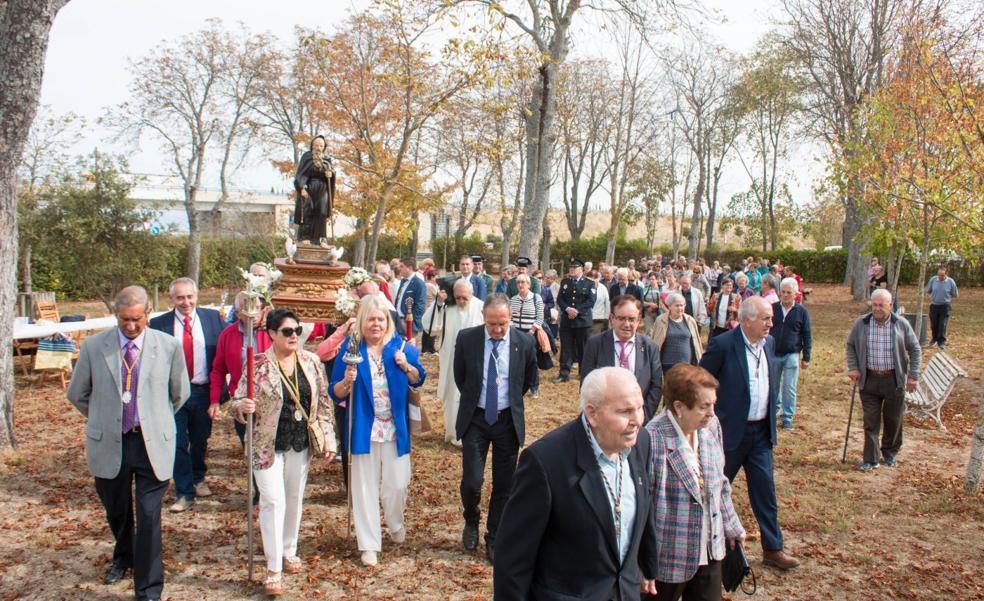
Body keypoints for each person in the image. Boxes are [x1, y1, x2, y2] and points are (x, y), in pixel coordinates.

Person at [66, 286, 189, 601]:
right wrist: (104, 418)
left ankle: (148, 588)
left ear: (148, 313)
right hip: (110, 443)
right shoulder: (95, 347)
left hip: (151, 446)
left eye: (137, 319)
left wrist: (152, 419)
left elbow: (179, 393)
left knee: (149, 515)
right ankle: (123, 556)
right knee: (118, 511)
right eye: (124, 320)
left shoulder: (169, 346)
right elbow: (77, 394)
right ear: (115, 315)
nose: (131, 326)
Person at [494, 367, 658, 601]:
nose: (637, 420)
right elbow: (513, 558)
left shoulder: (641, 442)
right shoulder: (546, 461)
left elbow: (644, 504)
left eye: (640, 408)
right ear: (592, 414)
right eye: (625, 412)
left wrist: (647, 565)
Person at [228, 309, 337, 595]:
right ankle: (273, 566)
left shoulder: (312, 362)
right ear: (272, 334)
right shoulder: (258, 364)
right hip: (266, 444)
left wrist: (328, 438)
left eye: (297, 331)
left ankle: (289, 548)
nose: (294, 337)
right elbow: (237, 399)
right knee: (272, 501)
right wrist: (242, 407)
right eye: (287, 332)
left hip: (300, 442)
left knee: (293, 498)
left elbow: (323, 403)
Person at [699, 297, 800, 570]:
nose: (771, 323)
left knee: (765, 491)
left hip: (760, 434)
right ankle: (703, 546)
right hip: (729, 433)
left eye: (770, 318)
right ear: (746, 320)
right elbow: (700, 382)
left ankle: (773, 548)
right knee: (714, 490)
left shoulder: (769, 344)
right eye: (765, 318)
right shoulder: (723, 345)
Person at [329, 296, 425, 566]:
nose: (376, 324)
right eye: (370, 319)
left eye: (380, 319)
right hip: (363, 428)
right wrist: (346, 383)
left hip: (395, 427)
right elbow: (333, 391)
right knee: (363, 487)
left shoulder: (400, 346)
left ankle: (395, 522)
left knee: (398, 483)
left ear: (387, 322)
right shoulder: (351, 350)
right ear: (361, 322)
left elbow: (419, 377)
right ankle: (369, 543)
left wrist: (405, 365)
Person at [645, 364, 746, 601]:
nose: (712, 412)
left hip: (709, 551)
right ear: (679, 407)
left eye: (713, 404)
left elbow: (719, 484)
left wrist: (732, 526)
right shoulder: (652, 439)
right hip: (668, 558)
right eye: (704, 406)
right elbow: (644, 509)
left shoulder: (711, 427)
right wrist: (644, 563)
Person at [453, 294, 538, 563]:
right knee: (472, 481)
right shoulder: (467, 339)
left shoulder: (524, 342)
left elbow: (527, 379)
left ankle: (494, 535)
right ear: (484, 319)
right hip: (476, 420)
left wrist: (507, 401)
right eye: (492, 324)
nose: (498, 330)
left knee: (505, 484)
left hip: (506, 421)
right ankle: (471, 519)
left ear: (510, 319)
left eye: (502, 324)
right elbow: (461, 377)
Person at [148, 277, 226, 512]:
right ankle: (184, 491)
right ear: (171, 299)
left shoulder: (213, 319)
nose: (186, 302)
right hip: (173, 394)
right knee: (178, 441)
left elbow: (223, 353)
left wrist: (220, 394)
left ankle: (198, 477)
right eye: (180, 297)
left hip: (203, 390)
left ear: (196, 296)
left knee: (200, 439)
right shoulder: (158, 324)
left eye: (189, 296)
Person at [846, 289, 921, 471]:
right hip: (869, 379)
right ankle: (871, 459)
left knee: (893, 419)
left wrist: (912, 376)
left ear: (890, 305)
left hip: (893, 380)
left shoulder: (901, 324)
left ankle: (889, 453)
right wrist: (854, 367)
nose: (877, 308)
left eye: (881, 305)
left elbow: (915, 349)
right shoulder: (862, 323)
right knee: (870, 421)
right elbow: (850, 345)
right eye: (874, 304)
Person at [422, 278, 485, 446]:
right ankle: (454, 434)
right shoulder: (447, 308)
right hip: (452, 360)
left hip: (475, 361)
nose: (462, 301)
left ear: (472, 294)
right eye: (458, 298)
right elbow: (430, 328)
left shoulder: (481, 307)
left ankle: (473, 435)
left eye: (465, 297)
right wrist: (438, 304)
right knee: (453, 395)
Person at [580, 296, 663, 422]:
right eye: (621, 318)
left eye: (631, 319)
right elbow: (587, 385)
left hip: (638, 420)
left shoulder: (650, 347)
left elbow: (656, 386)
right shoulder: (595, 344)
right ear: (612, 318)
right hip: (604, 421)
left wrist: (642, 417)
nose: (627, 324)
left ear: (639, 320)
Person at [209, 292, 272, 448]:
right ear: (237, 313)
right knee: (251, 451)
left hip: (272, 399)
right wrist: (214, 400)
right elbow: (218, 370)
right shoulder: (227, 335)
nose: (255, 313)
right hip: (243, 401)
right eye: (248, 308)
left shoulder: (273, 331)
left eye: (258, 308)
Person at [771, 278, 812, 431]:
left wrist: (806, 357)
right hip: (773, 353)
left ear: (795, 294)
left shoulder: (801, 312)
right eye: (783, 292)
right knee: (773, 386)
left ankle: (787, 418)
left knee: (789, 388)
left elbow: (807, 334)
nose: (786, 295)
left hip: (792, 354)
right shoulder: (773, 308)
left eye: (789, 292)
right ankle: (774, 411)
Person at [554, 259, 596, 383]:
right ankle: (564, 374)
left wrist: (576, 311)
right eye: (570, 267)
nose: (571, 269)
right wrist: (567, 309)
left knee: (583, 348)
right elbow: (560, 299)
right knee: (566, 348)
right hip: (567, 321)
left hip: (583, 322)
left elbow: (591, 301)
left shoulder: (589, 283)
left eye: (574, 267)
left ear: (582, 269)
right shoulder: (565, 282)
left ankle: (584, 373)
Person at [292, 135, 336, 245]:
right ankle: (305, 236)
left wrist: (330, 174)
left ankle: (321, 238)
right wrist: (301, 188)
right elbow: (300, 174)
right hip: (309, 187)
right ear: (312, 145)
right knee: (308, 211)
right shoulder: (306, 157)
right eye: (316, 145)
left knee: (322, 211)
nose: (318, 147)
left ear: (324, 147)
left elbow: (332, 173)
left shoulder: (327, 159)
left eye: (321, 145)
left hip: (322, 189)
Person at [651, 292, 703, 380]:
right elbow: (655, 342)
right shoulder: (661, 320)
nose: (680, 308)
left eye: (682, 305)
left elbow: (697, 342)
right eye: (677, 305)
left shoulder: (690, 320)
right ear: (669, 306)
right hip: (668, 364)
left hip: (687, 364)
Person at [509, 273, 545, 398]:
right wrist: (513, 326)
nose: (520, 285)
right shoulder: (513, 299)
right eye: (518, 282)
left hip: (530, 335)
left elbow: (540, 316)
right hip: (516, 334)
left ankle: (534, 387)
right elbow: (510, 316)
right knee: (516, 362)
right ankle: (518, 387)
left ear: (529, 284)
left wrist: (532, 330)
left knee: (532, 362)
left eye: (523, 282)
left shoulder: (536, 298)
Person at [394, 257, 426, 340]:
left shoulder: (418, 283)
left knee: (408, 348)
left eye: (402, 266)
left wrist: (409, 321)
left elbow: (420, 306)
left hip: (407, 322)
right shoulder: (403, 281)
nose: (399, 269)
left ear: (410, 268)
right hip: (397, 320)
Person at [927, 266, 958, 349]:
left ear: (946, 274)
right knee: (934, 324)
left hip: (945, 306)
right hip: (934, 305)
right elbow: (928, 290)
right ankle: (934, 338)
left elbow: (954, 294)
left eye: (942, 275)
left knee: (942, 324)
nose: (940, 277)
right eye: (939, 275)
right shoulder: (933, 280)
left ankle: (941, 341)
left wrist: (946, 298)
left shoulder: (951, 282)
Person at [421, 270, 440, 354]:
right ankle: (430, 348)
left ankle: (425, 348)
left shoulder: (425, 285)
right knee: (432, 329)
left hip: (426, 309)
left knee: (426, 330)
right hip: (431, 309)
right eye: (436, 277)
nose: (437, 278)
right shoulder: (431, 286)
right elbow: (438, 296)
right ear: (432, 277)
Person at [591, 270, 612, 335]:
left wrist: (606, 318)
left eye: (595, 278)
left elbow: (607, 303)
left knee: (595, 338)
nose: (593, 280)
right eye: (591, 278)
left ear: (598, 278)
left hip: (599, 319)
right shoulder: (584, 287)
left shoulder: (603, 288)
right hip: (586, 319)